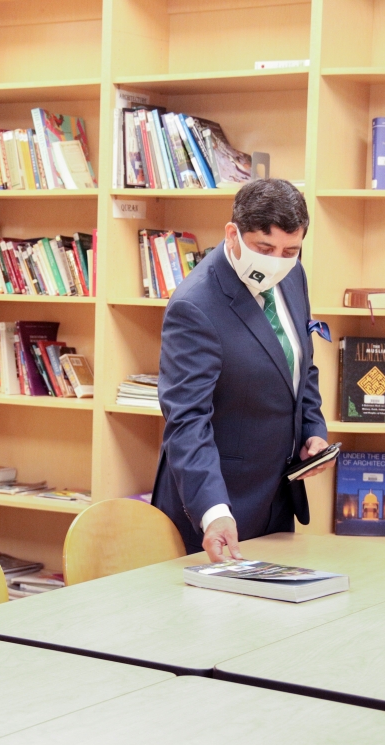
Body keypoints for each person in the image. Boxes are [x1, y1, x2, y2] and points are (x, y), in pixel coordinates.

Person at [153, 179, 333, 561]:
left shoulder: (292, 275)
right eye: (264, 248)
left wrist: (313, 432)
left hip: (275, 500)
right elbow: (186, 422)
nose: (277, 260)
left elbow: (300, 366)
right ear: (231, 234)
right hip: (216, 509)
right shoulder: (195, 306)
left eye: (290, 250)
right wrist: (214, 512)